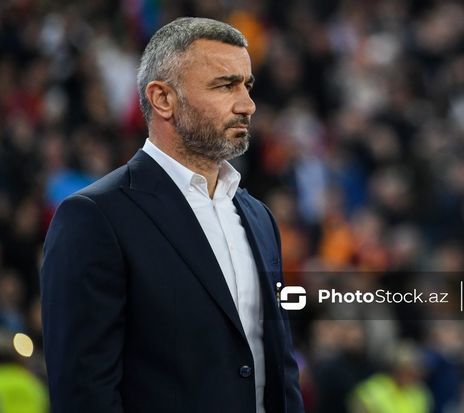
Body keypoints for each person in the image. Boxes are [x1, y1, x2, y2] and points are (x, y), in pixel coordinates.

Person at [40, 17, 304, 413]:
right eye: (225, 85)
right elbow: (84, 392)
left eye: (247, 86)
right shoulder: (94, 218)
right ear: (163, 98)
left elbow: (281, 371)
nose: (247, 105)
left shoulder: (259, 218)